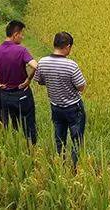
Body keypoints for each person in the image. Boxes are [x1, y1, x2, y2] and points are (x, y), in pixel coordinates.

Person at [0, 20, 38, 144]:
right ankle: (31, 151)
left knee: (9, 125)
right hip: (22, 94)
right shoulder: (21, 50)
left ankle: (13, 148)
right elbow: (36, 66)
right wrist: (28, 80)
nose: (22, 37)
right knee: (29, 128)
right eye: (21, 34)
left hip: (4, 95)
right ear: (15, 35)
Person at [35, 32, 87, 166]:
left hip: (55, 107)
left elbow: (39, 81)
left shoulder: (42, 62)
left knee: (59, 138)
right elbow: (81, 87)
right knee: (76, 139)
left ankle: (61, 165)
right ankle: (75, 168)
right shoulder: (71, 65)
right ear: (68, 46)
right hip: (73, 108)